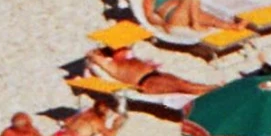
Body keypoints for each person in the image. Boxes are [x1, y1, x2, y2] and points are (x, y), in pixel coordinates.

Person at [85, 43, 215, 97]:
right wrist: (97, 53)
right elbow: (92, 56)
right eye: (121, 49)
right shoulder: (114, 66)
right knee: (183, 86)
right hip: (147, 83)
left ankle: (214, 89)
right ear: (112, 54)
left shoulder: (129, 60)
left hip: (155, 76)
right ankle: (216, 92)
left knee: (185, 83)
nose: (126, 50)